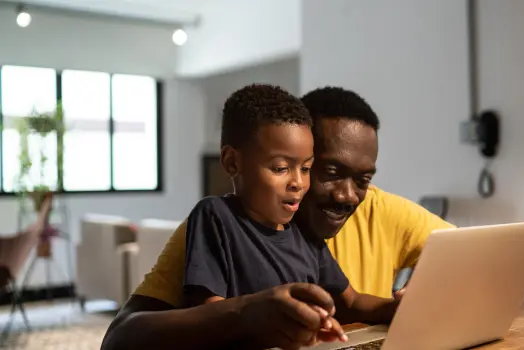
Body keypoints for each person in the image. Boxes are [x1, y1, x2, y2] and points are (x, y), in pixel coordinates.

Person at [100, 86, 455, 350]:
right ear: (234, 163)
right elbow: (133, 333)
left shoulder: (316, 236)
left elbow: (351, 301)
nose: (298, 183)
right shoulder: (215, 218)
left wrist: (407, 305)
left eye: (306, 168)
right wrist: (249, 313)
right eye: (328, 171)